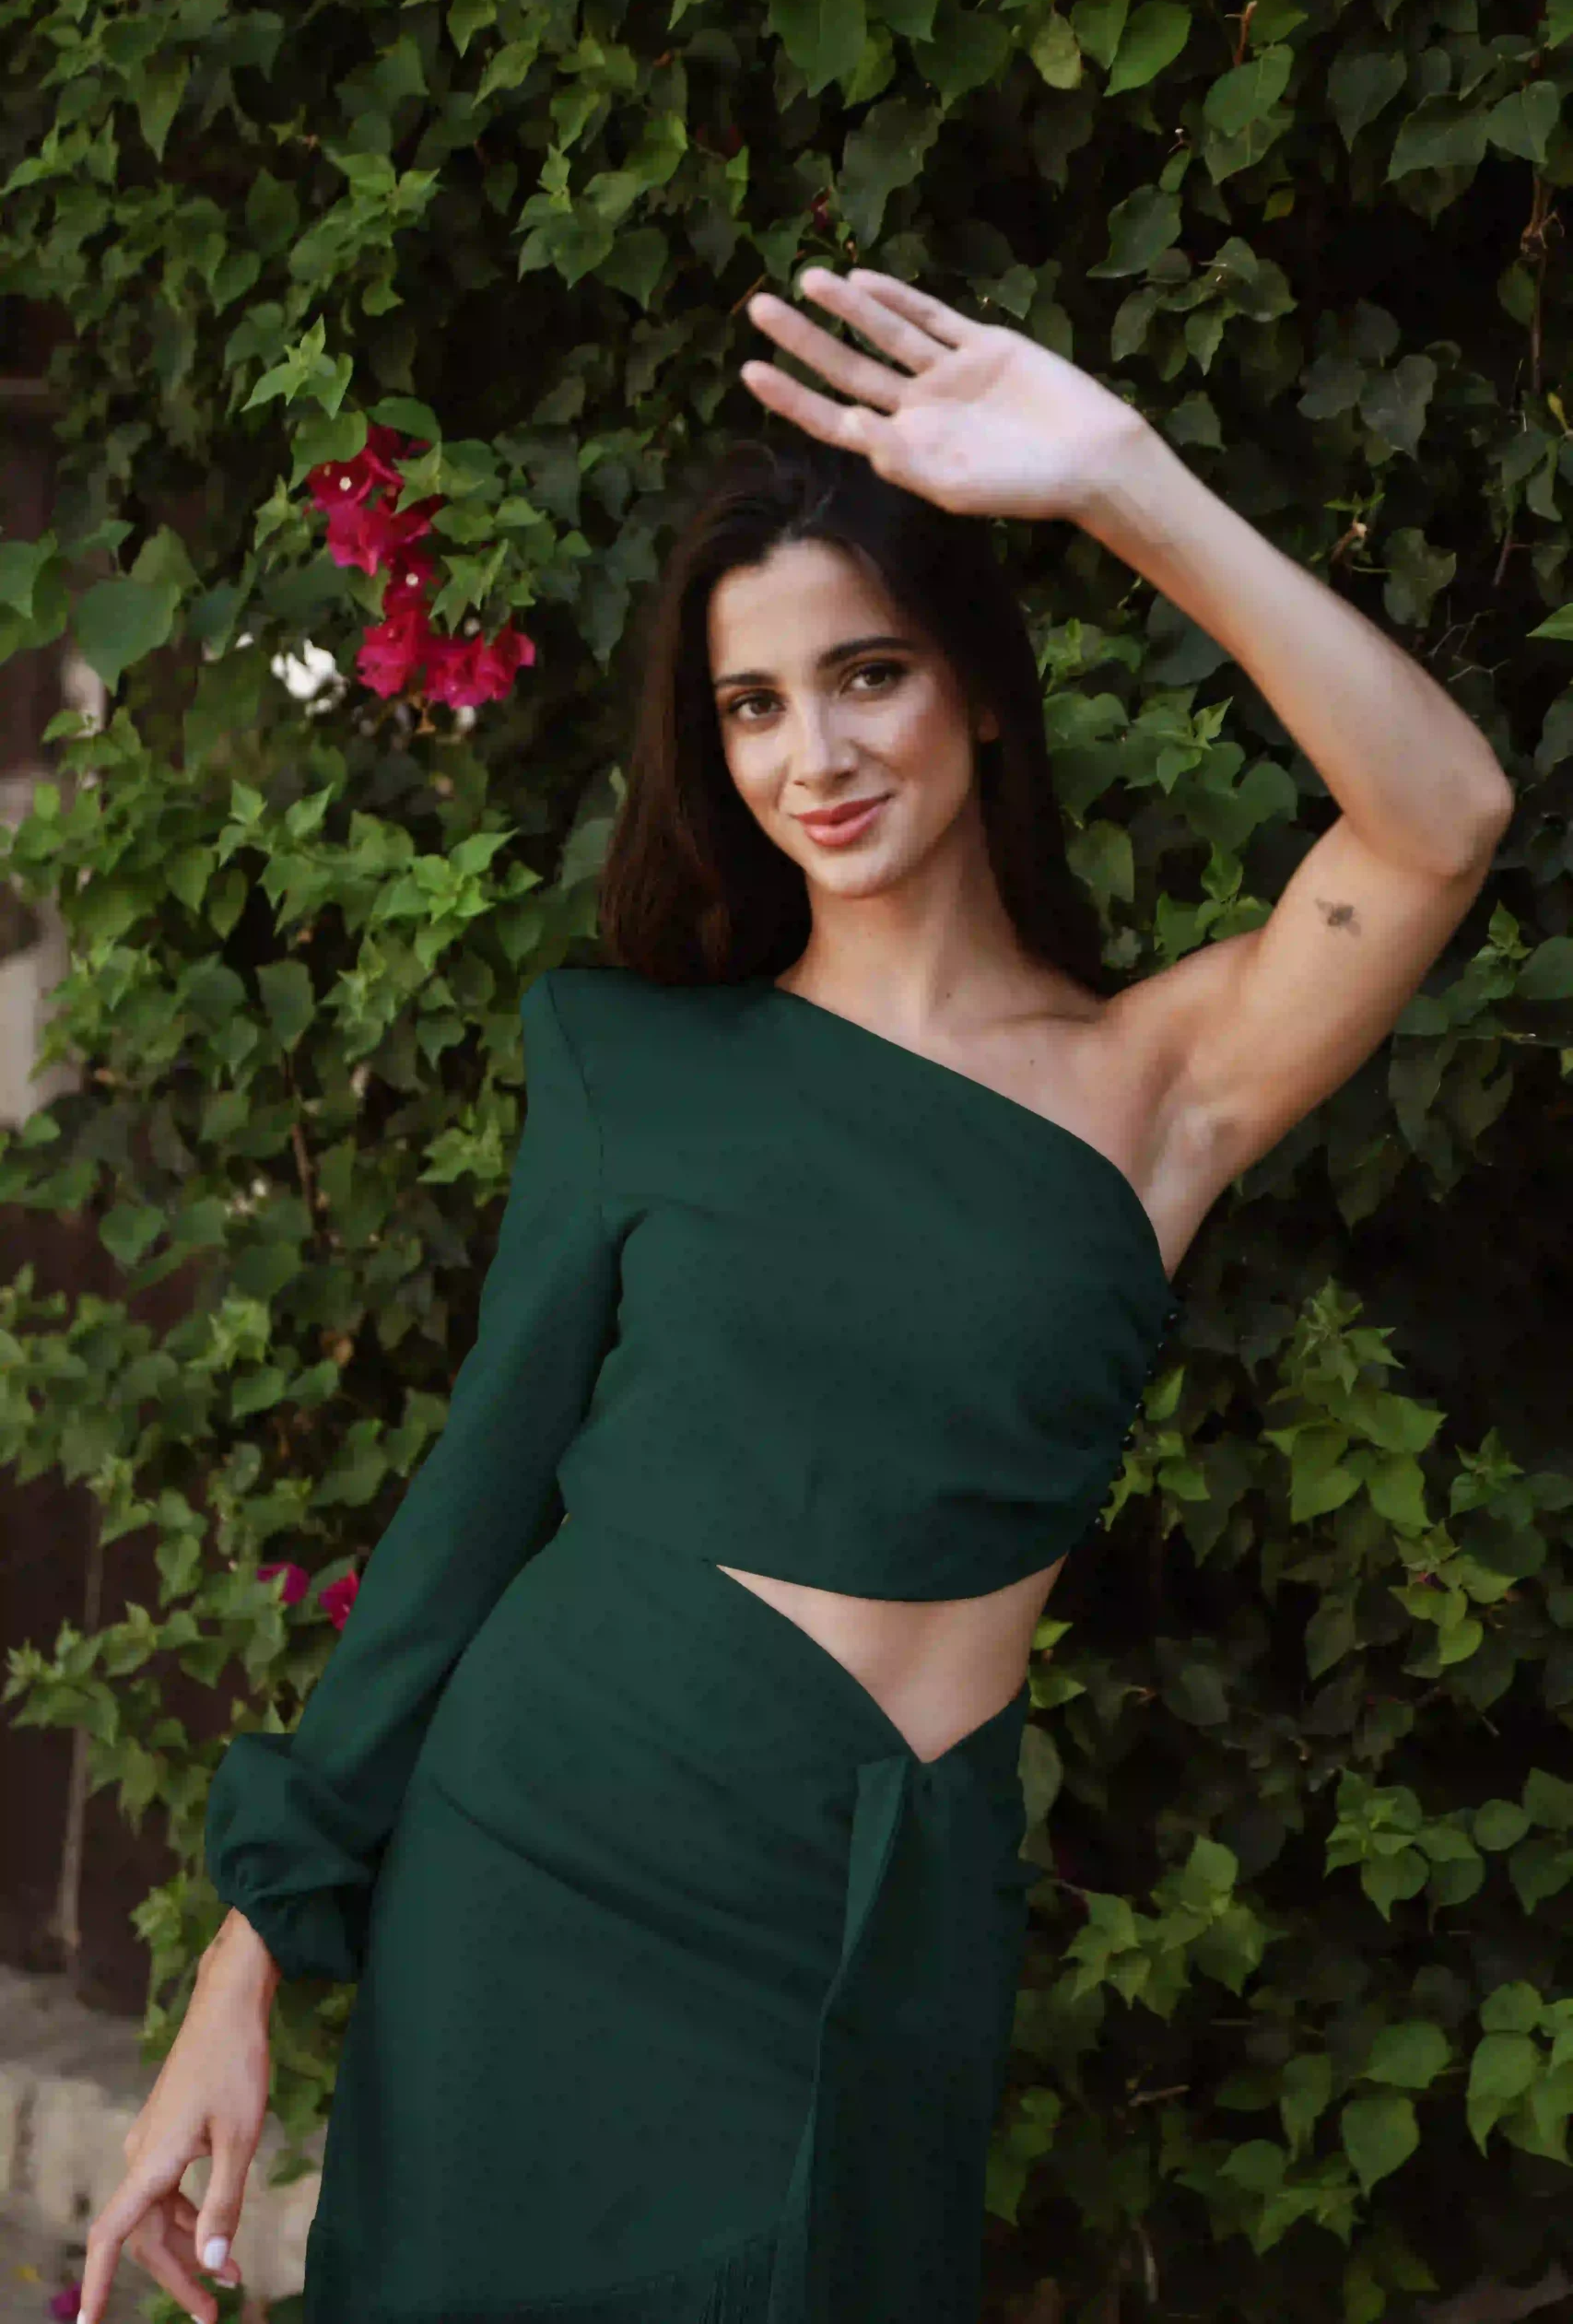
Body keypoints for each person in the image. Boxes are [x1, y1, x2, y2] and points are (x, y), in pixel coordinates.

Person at [77, 265, 1512, 2324]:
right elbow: (471, 1506)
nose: (811, 753)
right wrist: (246, 1963)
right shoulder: (633, 1064)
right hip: (554, 1857)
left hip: (892, 1902)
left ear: (978, 689)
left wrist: (1117, 478)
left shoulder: (1158, 1084)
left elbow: (1443, 817)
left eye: (867, 675)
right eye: (752, 704)